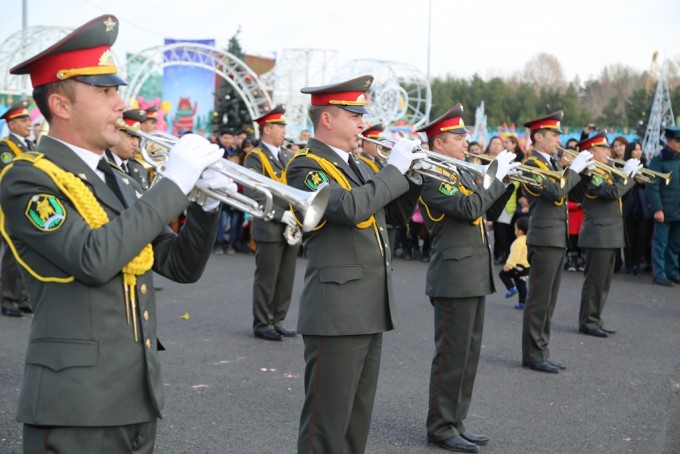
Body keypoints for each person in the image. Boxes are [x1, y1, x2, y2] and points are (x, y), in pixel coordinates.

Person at [1, 15, 232, 453]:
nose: (119, 104)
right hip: (76, 406)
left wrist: (205, 204)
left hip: (136, 395)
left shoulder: (121, 179)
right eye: (105, 92)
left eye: (117, 90)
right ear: (61, 106)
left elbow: (179, 264)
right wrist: (173, 184)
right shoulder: (27, 180)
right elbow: (93, 259)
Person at [285, 75, 424, 454]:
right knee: (326, 427)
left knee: (355, 423)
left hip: (366, 306)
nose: (363, 123)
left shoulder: (359, 166)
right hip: (336, 311)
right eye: (354, 114)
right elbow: (348, 208)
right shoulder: (305, 166)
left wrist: (411, 176)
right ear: (327, 119)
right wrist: (392, 172)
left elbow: (392, 214)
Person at [415, 103, 518, 453]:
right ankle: (441, 426)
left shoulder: (459, 172)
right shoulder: (431, 177)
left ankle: (456, 420)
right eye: (458, 137)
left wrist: (502, 182)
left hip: (472, 273)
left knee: (468, 355)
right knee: (450, 356)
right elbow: (468, 208)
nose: (465, 142)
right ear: (438, 143)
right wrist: (496, 178)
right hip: (453, 276)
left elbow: (488, 208)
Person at [520, 111, 594, 374]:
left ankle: (542, 349)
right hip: (544, 237)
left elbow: (576, 194)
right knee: (539, 299)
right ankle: (532, 354)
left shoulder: (552, 164)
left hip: (555, 237)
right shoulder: (532, 165)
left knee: (549, 300)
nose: (557, 140)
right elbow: (554, 191)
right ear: (538, 137)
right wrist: (572, 169)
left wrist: (584, 173)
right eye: (553, 135)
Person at [242, 105, 299, 341]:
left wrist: (296, 216)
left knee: (286, 278)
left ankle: (277, 319)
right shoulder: (255, 157)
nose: (284, 131)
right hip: (270, 225)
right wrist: (279, 214)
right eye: (280, 127)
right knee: (267, 278)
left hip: (291, 225)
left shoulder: (286, 155)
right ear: (267, 129)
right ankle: (262, 323)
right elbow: (254, 194)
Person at [576, 132, 639, 337]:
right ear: (591, 152)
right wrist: (628, 176)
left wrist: (627, 177)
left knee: (604, 282)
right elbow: (611, 193)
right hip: (598, 234)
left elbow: (619, 195)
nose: (608, 151)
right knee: (595, 282)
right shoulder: (589, 173)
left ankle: (596, 318)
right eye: (603, 148)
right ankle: (588, 321)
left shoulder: (605, 171)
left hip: (610, 232)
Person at [0, 100, 33, 317]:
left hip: (27, 204)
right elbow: (10, 173)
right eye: (23, 119)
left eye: (28, 118)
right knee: (12, 254)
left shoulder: (30, 145)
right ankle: (8, 299)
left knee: (26, 253)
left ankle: (22, 297)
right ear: (11, 124)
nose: (29, 123)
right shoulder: (5, 147)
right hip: (12, 205)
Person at [646, 126, 680, 286]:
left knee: (675, 244)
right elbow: (652, 187)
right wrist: (657, 208)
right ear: (669, 141)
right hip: (664, 210)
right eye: (677, 141)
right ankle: (659, 273)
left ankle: (672, 271)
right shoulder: (658, 160)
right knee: (660, 244)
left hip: (678, 210)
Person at [622, 141, 651, 275]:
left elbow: (651, 185)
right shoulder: (624, 165)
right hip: (629, 207)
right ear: (630, 152)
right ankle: (628, 264)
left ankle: (637, 265)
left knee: (640, 238)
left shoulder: (646, 166)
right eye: (635, 150)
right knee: (629, 238)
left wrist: (643, 181)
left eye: (640, 149)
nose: (638, 152)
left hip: (643, 208)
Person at [106, 108, 151, 190]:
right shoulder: (103, 164)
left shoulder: (140, 168)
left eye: (138, 138)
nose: (136, 143)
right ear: (115, 133)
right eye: (131, 136)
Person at [499, 216, 531, 310]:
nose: (514, 231)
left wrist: (508, 265)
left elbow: (515, 255)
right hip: (527, 267)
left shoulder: (518, 242)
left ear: (520, 231)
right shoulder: (530, 240)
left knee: (503, 274)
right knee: (521, 284)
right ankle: (522, 303)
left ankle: (511, 288)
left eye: (515, 229)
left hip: (518, 266)